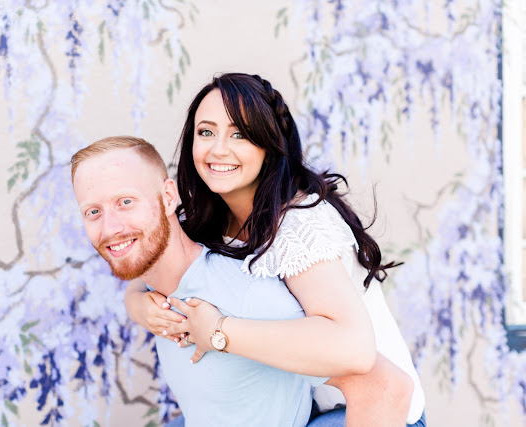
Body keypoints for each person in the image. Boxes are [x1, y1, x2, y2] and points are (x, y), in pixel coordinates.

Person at [124, 73, 426, 426]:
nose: (218, 149)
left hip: (366, 409)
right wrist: (140, 306)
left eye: (239, 134)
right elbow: (146, 277)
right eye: (206, 132)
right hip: (289, 403)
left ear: (267, 144)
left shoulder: (298, 222)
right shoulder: (209, 219)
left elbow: (355, 350)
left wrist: (219, 330)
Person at [71, 136, 411, 427]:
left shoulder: (245, 297)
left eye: (125, 202)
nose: (110, 228)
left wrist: (219, 331)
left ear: (169, 197)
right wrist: (136, 303)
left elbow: (386, 387)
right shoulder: (155, 290)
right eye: (93, 212)